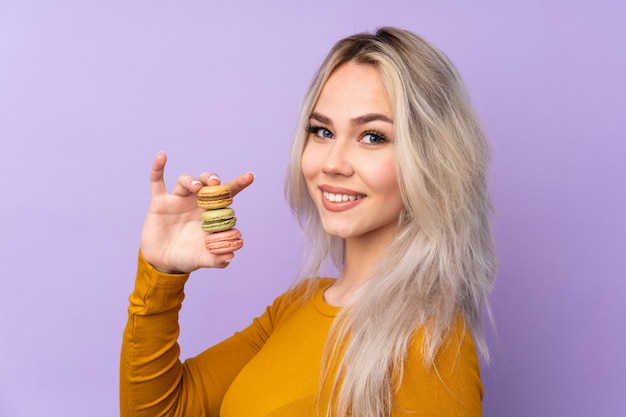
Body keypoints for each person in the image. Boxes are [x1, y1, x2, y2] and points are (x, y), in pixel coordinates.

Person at [120, 27, 497, 417]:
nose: (332, 163)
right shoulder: (296, 307)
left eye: (372, 136)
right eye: (323, 131)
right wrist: (161, 272)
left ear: (434, 158)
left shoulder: (430, 343)